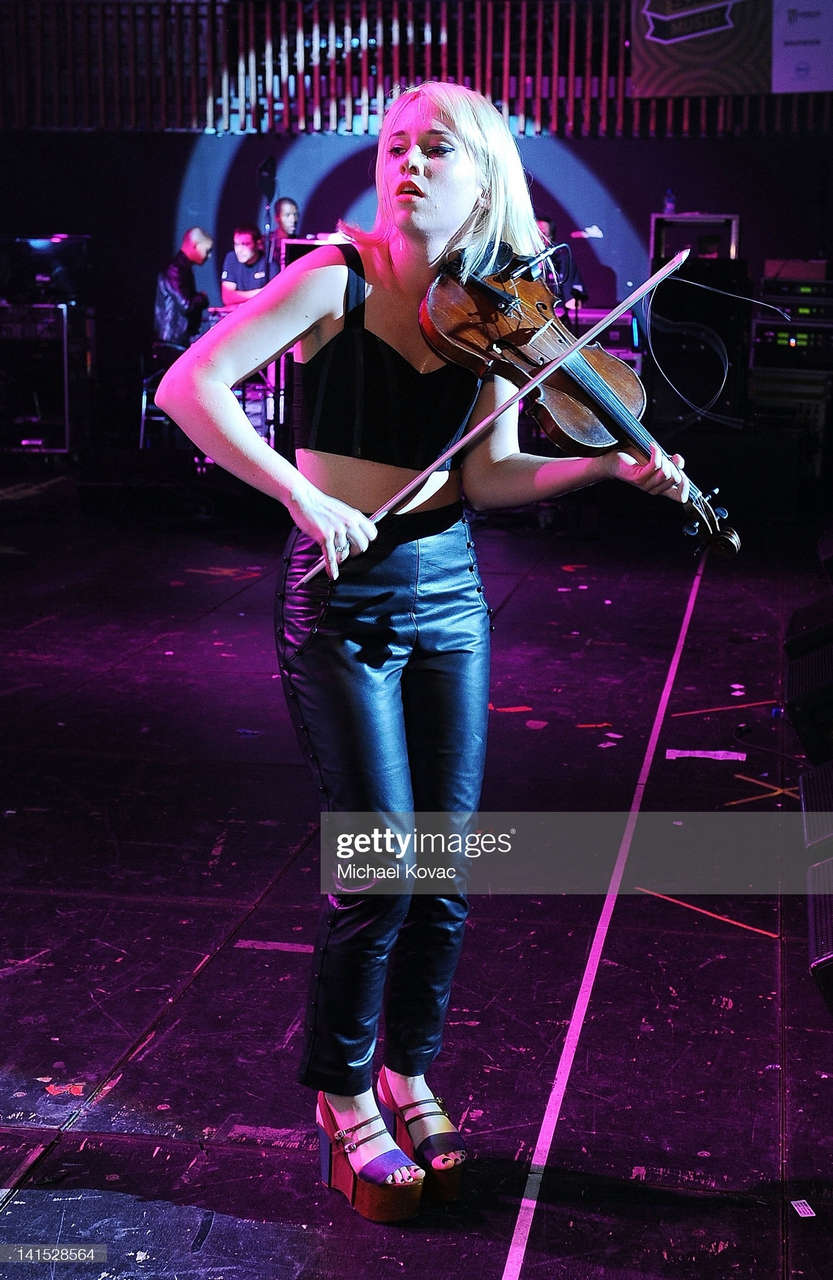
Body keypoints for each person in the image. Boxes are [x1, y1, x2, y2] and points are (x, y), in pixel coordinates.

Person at [156, 82, 689, 1222]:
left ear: (482, 171)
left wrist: (603, 466)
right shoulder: (330, 279)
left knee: (446, 866)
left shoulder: (486, 308)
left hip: (448, 595)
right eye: (394, 144)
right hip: (341, 602)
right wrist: (299, 493)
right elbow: (188, 385)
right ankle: (342, 1092)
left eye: (434, 147)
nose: (406, 162)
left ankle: (409, 1068)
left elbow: (487, 476)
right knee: (380, 862)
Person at [153, 226, 214, 348]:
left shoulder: (181, 269)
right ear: (195, 245)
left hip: (174, 340)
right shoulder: (175, 270)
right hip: (172, 342)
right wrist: (202, 298)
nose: (209, 256)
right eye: (207, 250)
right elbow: (186, 305)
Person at [220, 225, 275, 306]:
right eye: (236, 244)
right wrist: (260, 292)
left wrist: (239, 296)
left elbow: (273, 297)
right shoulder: (231, 258)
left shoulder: (270, 264)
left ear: (258, 244)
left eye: (245, 244)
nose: (239, 250)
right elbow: (227, 298)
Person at [269, 196, 300, 268]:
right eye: (287, 215)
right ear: (277, 218)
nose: (293, 220)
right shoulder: (266, 243)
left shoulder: (300, 243)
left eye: (295, 215)